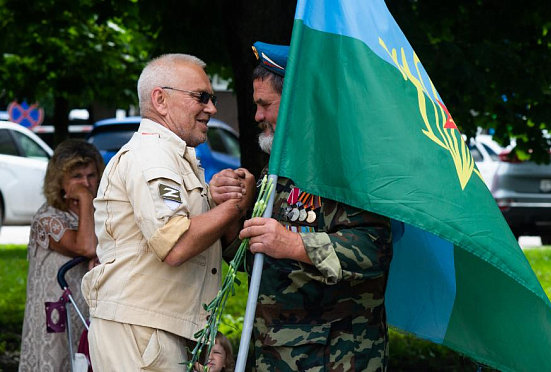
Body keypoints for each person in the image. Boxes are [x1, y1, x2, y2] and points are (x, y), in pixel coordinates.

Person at [212, 42, 393, 371]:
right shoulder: (279, 169)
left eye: (265, 104)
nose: (257, 116)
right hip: (275, 355)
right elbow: (258, 263)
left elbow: (374, 250)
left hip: (335, 359)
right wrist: (232, 213)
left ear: (296, 102)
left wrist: (292, 243)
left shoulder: (346, 168)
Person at [81, 53, 255, 371]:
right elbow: (176, 245)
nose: (212, 108)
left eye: (213, 98)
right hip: (142, 334)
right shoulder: (151, 156)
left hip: (156, 330)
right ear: (160, 99)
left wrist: (217, 201)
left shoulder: (173, 156)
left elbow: (192, 232)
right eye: (201, 97)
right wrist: (236, 205)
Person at [19, 139, 104, 372]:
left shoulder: (103, 214)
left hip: (84, 310)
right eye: (77, 176)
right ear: (60, 182)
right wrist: (86, 200)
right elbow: (85, 247)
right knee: (57, 362)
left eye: (91, 175)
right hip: (55, 315)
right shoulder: (47, 218)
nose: (86, 184)